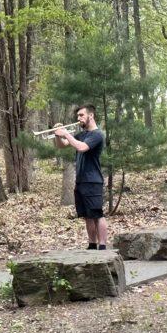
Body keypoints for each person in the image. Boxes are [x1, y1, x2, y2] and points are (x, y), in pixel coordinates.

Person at [54, 105, 107, 250]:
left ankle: (102, 246)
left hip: (93, 180)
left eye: (81, 115)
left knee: (97, 213)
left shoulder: (97, 135)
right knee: (86, 215)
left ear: (91, 115)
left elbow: (82, 147)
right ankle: (92, 244)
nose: (78, 118)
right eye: (78, 116)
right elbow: (62, 145)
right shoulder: (81, 134)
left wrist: (66, 133)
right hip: (81, 180)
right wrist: (57, 135)